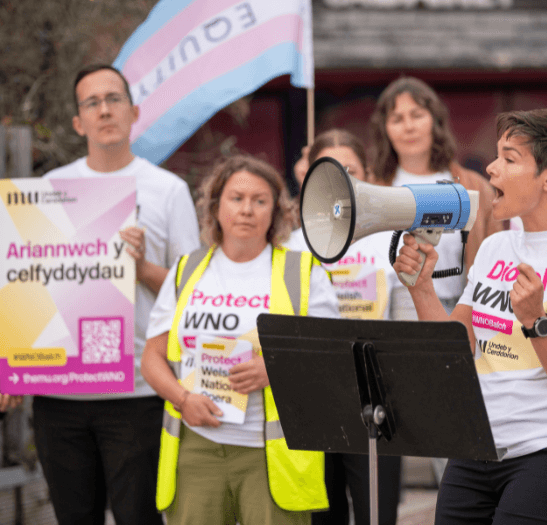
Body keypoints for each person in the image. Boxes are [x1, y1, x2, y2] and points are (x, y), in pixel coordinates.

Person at [393, 108, 547, 524]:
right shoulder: (495, 248)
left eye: (509, 158)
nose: (490, 168)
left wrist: (537, 324)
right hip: (478, 448)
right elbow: (456, 351)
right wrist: (421, 289)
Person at [29, 64, 200, 525]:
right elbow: (26, 288)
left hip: (138, 392)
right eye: (92, 102)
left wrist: (141, 268)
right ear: (78, 122)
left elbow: (193, 294)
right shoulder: (48, 191)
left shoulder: (168, 191)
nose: (104, 109)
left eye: (114, 99)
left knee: (139, 517)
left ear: (134, 111)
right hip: (58, 394)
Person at [142, 154, 340, 525]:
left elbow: (332, 354)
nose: (246, 210)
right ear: (216, 207)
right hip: (197, 447)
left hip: (272, 457)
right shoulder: (186, 270)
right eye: (236, 198)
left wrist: (277, 367)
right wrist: (183, 399)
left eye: (260, 200)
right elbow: (152, 357)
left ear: (276, 212)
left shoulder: (303, 271)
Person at [286, 129, 403, 525]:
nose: (341, 182)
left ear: (367, 173)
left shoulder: (391, 241)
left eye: (349, 170)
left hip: (379, 401)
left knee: (378, 515)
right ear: (309, 179)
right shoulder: (289, 247)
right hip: (315, 401)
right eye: (329, 171)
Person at [369, 76, 501, 318]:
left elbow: (497, 257)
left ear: (435, 121)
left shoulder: (475, 186)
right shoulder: (372, 189)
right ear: (384, 129)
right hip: (394, 309)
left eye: (417, 115)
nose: (408, 126)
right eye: (397, 119)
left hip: (464, 308)